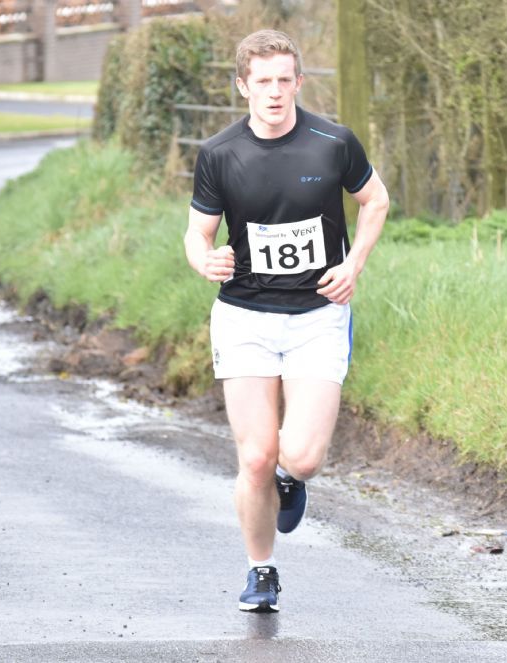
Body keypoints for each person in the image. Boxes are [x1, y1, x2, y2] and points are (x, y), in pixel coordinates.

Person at [184, 29, 389, 613]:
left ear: (299, 82)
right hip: (244, 316)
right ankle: (261, 570)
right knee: (255, 456)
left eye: (283, 80)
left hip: (317, 316)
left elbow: (375, 201)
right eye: (262, 82)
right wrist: (205, 259)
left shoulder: (333, 142)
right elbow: (198, 232)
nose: (274, 92)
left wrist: (353, 264)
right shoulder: (219, 153)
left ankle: (290, 480)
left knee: (299, 456)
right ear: (243, 87)